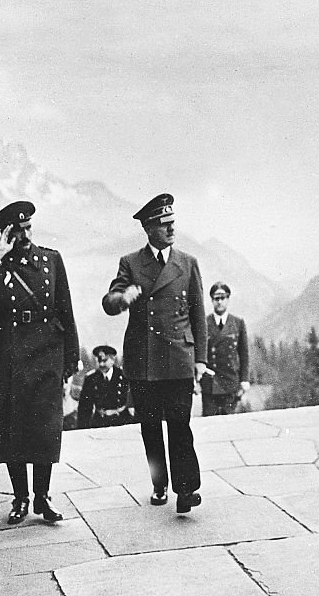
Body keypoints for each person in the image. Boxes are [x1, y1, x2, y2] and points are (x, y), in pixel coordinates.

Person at [0, 200, 79, 525]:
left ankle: (43, 497)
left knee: (44, 428)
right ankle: (21, 498)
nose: (25, 235)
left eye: (28, 228)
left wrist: (72, 357)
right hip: (8, 355)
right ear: (6, 232)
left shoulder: (51, 260)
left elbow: (65, 309)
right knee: (14, 429)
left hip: (47, 353)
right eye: (17, 230)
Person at [102, 193, 208, 513]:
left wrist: (200, 359)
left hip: (178, 358)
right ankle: (159, 483)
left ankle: (186, 489)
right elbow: (109, 302)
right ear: (149, 229)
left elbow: (197, 313)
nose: (171, 229)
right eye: (165, 225)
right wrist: (123, 297)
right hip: (144, 360)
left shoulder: (188, 263)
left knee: (179, 425)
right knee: (150, 427)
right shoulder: (131, 263)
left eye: (172, 223)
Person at [202, 282, 250, 416]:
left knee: (229, 425)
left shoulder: (238, 323)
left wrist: (244, 379)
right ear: (212, 300)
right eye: (216, 298)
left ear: (228, 299)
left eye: (223, 298)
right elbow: (197, 353)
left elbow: (244, 354)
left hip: (230, 383)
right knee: (209, 423)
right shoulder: (204, 323)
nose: (220, 302)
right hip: (210, 384)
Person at [77, 345, 132, 428]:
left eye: (104, 360)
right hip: (100, 423)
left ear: (112, 360)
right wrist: (82, 430)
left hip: (122, 422)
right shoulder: (91, 379)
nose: (101, 364)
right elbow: (84, 408)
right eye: (99, 361)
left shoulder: (124, 376)